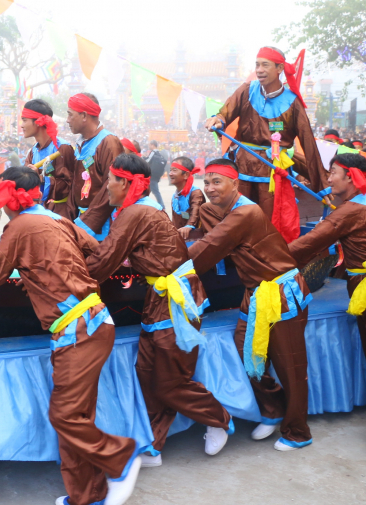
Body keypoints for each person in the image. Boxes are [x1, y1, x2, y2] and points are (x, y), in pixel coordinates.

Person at [0, 167, 141, 505]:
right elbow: (93, 250)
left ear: (8, 198)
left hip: (79, 330)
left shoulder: (20, 226)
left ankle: (121, 457)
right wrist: (38, 273)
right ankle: (86, 493)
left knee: (65, 416)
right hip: (91, 321)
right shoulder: (57, 219)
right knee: (77, 415)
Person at [84, 154, 232, 464]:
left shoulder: (134, 213)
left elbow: (102, 262)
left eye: (110, 180)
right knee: (147, 372)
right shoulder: (139, 210)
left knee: (168, 381)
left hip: (175, 302)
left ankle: (220, 419)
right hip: (159, 299)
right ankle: (153, 443)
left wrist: (62, 278)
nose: (106, 187)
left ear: (124, 183)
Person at [287, 154, 366, 443]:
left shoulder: (351, 210)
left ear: (350, 177)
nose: (329, 179)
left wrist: (266, 255)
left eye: (333, 173)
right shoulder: (360, 204)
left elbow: (309, 243)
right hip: (365, 285)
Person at [188, 158, 313, 451]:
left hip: (281, 294)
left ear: (236, 183)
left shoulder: (246, 212)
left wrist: (163, 263)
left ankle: (298, 431)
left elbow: (206, 250)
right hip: (254, 293)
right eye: (206, 182)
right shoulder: (222, 210)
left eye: (217, 182)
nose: (209, 188)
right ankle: (273, 409)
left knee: (290, 366)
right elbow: (212, 228)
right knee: (248, 354)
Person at [203, 46, 329, 219]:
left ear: (279, 69)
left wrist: (322, 185)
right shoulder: (247, 90)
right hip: (244, 164)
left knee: (270, 219)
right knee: (240, 217)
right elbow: (225, 112)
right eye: (257, 65)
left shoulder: (293, 103)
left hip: (273, 168)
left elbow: (309, 145)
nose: (259, 70)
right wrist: (219, 119)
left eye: (265, 65)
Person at [66, 93, 125, 241]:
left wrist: (87, 225)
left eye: (70, 115)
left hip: (101, 225)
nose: (67, 120)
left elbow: (112, 187)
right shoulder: (81, 143)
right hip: (83, 219)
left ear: (84, 116)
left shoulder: (108, 142)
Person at [21, 98, 76, 218]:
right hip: (38, 213)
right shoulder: (33, 151)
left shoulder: (62, 148)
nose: (21, 125)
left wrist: (39, 178)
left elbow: (68, 185)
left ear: (38, 122)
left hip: (59, 215)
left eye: (25, 120)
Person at [168, 156, 204, 237]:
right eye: (170, 170)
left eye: (174, 170)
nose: (170, 173)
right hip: (180, 236)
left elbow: (196, 213)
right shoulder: (175, 195)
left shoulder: (195, 193)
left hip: (194, 237)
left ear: (186, 175)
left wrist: (189, 226)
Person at [145, 141, 167, 208]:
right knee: (148, 190)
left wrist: (142, 159)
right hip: (156, 175)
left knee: (155, 191)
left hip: (152, 175)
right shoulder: (159, 153)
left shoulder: (153, 152)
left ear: (153, 145)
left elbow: (148, 161)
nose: (149, 146)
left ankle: (162, 205)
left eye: (149, 145)